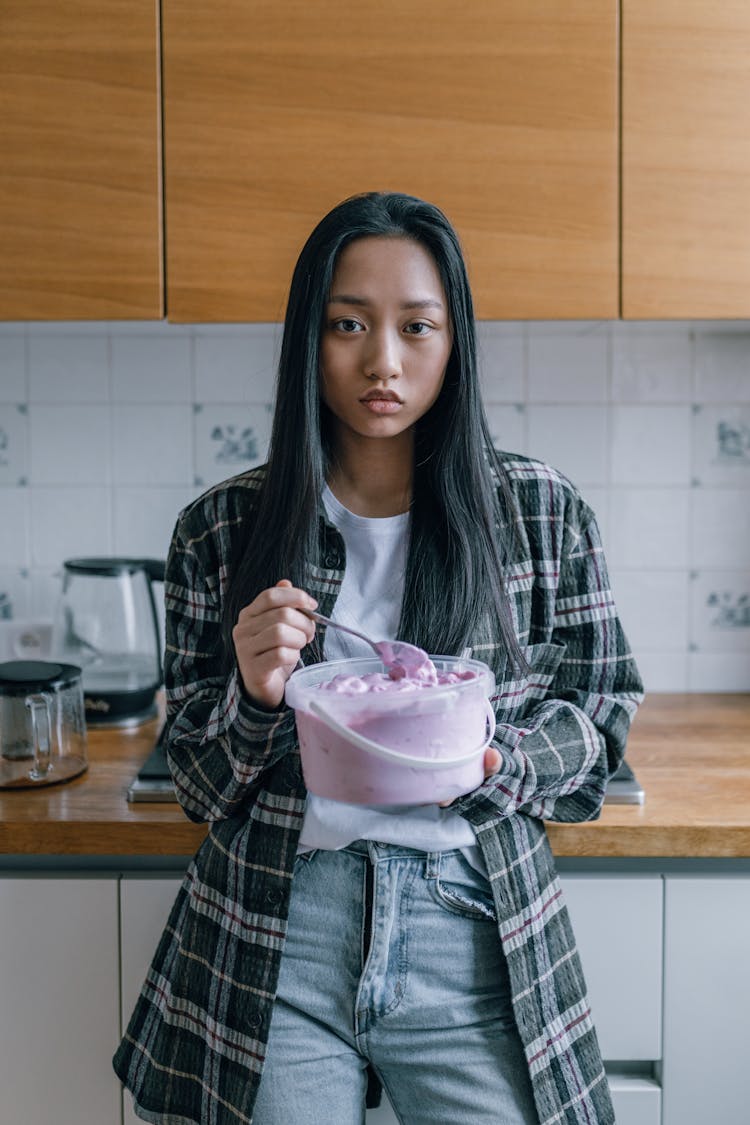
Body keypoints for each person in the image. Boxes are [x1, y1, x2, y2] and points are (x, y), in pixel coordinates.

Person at [113, 191, 644, 1125]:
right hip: (280, 928)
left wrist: (495, 758)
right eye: (347, 324)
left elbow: (601, 714)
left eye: (417, 326)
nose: (382, 362)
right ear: (307, 340)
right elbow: (196, 780)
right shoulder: (223, 529)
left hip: (473, 927)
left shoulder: (543, 513)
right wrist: (251, 696)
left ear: (456, 339)